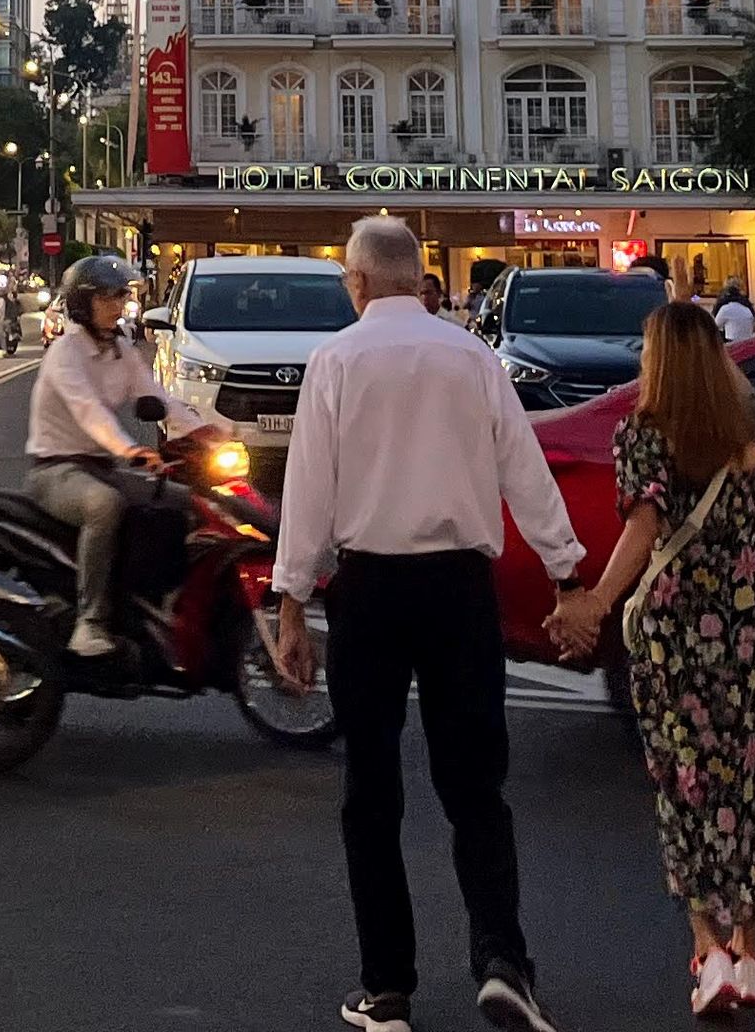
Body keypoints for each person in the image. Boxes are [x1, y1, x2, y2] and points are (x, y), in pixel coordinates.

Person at [272, 214, 583, 1032]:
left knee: (372, 793)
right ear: (419, 279)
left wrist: (291, 603)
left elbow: (308, 490)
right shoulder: (472, 357)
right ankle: (503, 960)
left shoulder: (336, 360)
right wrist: (566, 574)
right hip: (459, 590)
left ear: (358, 282)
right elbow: (525, 471)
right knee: (475, 786)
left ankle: (387, 989)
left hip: (370, 589)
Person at [552, 303, 755, 1017]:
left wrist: (597, 602)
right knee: (750, 778)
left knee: (685, 783)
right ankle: (749, 951)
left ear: (655, 360)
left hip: (675, 626)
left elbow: (644, 526)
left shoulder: (642, 433)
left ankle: (707, 949)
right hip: (751, 616)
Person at [24, 254, 174, 658]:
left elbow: (158, 397)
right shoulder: (65, 353)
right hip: (56, 471)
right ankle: (89, 622)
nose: (118, 304)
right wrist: (130, 449)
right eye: (107, 297)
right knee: (104, 505)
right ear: (82, 304)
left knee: (181, 501)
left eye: (121, 295)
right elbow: (88, 411)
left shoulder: (120, 349)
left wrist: (208, 431)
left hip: (101, 467)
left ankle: (159, 604)